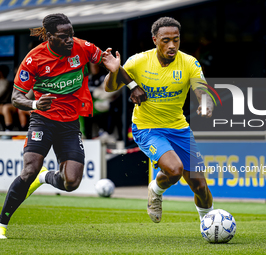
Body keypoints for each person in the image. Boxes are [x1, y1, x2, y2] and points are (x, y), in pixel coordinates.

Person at [0, 13, 121, 239]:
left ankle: (45, 177)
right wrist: (35, 103)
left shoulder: (82, 47)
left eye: (71, 34)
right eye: (63, 36)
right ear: (49, 37)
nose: (69, 40)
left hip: (69, 124)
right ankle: (1, 224)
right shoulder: (33, 59)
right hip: (42, 120)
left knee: (71, 182)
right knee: (29, 169)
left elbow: (108, 64)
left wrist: (127, 80)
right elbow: (16, 98)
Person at [103, 17, 214, 223]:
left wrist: (205, 103)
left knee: (199, 185)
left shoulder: (189, 62)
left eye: (176, 40)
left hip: (179, 129)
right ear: (155, 40)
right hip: (148, 128)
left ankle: (209, 224)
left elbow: (202, 90)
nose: (171, 45)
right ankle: (155, 189)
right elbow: (109, 88)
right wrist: (113, 71)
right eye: (165, 40)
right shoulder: (138, 61)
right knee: (174, 169)